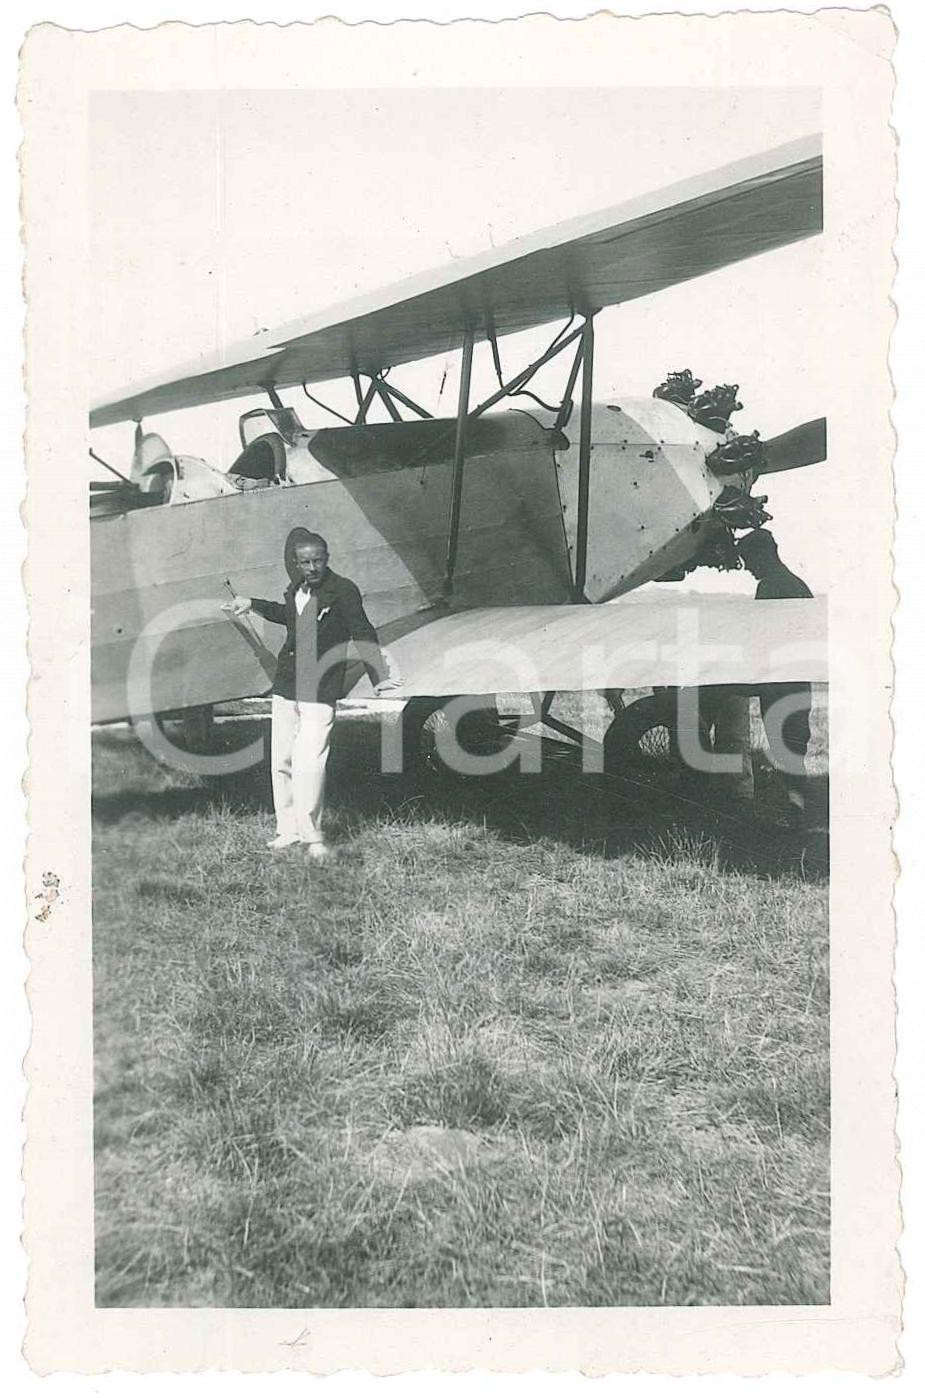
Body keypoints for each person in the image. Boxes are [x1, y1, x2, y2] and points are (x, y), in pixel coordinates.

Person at [223, 528, 398, 856]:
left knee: (310, 763)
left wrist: (379, 676)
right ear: (296, 564)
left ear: (326, 559)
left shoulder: (343, 591)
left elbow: (363, 631)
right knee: (282, 762)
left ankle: (312, 836)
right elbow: (285, 615)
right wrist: (253, 604)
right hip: (287, 685)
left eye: (318, 561)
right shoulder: (296, 590)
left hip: (320, 688)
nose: (312, 567)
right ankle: (287, 830)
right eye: (305, 562)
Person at [737, 528, 814, 816]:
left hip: (778, 684)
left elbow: (763, 638)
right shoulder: (799, 584)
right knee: (794, 747)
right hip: (798, 681)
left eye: (749, 560)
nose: (748, 567)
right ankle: (796, 808)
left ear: (764, 554)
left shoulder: (769, 587)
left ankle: (793, 812)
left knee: (784, 748)